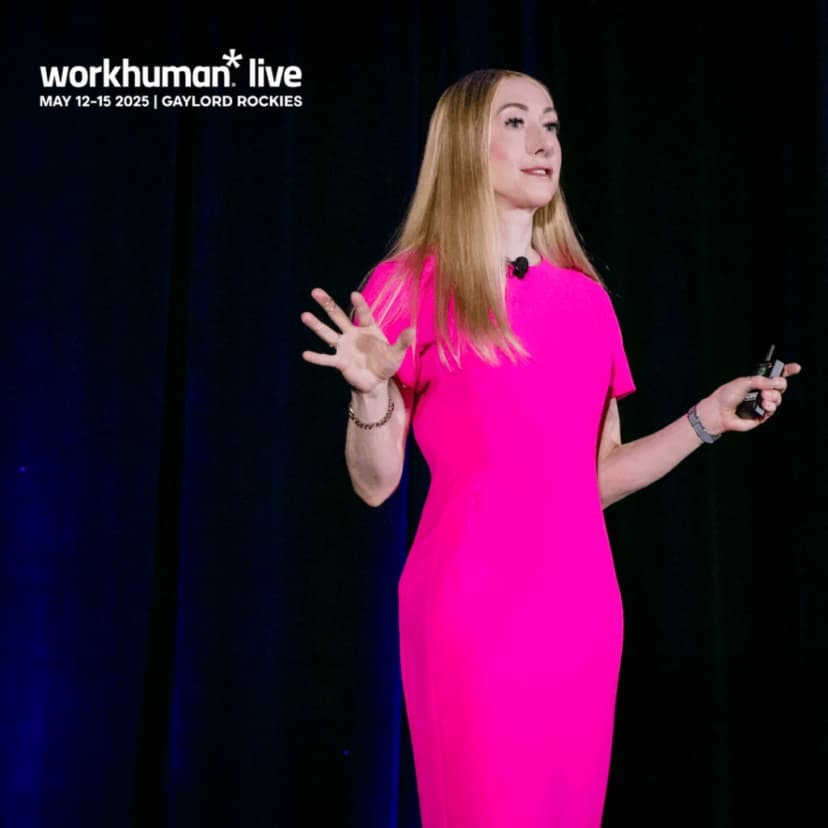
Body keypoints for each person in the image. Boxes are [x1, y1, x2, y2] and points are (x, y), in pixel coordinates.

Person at [300, 68, 801, 827]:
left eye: (552, 124)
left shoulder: (586, 299)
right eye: (515, 122)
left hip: (582, 608)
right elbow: (376, 485)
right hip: (469, 609)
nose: (543, 142)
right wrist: (370, 391)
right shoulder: (406, 285)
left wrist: (706, 418)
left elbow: (593, 480)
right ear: (467, 147)